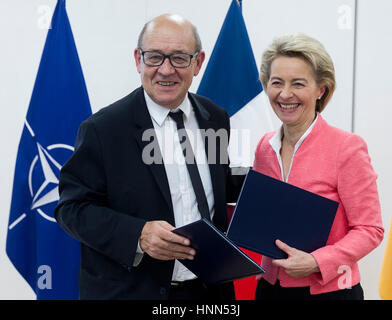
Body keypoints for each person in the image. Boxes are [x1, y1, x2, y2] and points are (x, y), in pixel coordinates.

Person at [55, 13, 244, 300]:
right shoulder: (103, 129)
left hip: (209, 293)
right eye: (155, 57)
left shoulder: (215, 118)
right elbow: (71, 209)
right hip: (132, 291)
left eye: (180, 58)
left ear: (198, 63)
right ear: (138, 59)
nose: (166, 70)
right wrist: (138, 235)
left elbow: (215, 185)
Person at [253, 33, 384, 300]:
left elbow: (370, 229)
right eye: (276, 82)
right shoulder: (264, 147)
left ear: (320, 90)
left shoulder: (347, 147)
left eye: (298, 84)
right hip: (269, 288)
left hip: (329, 291)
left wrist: (317, 261)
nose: (285, 94)